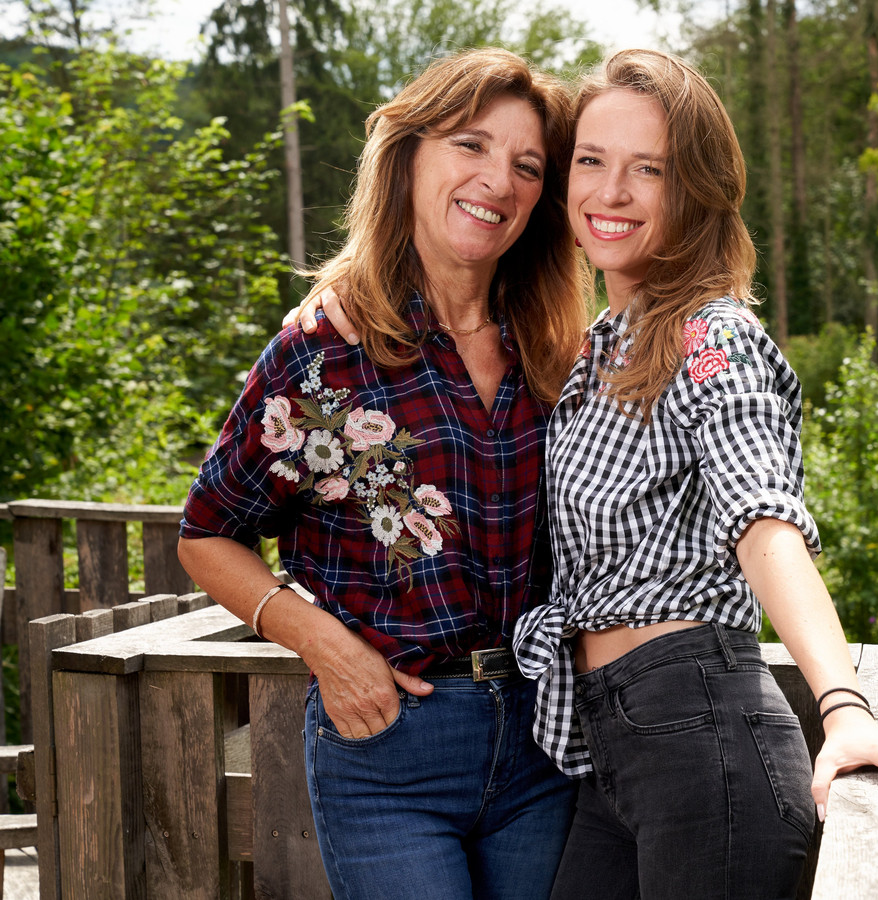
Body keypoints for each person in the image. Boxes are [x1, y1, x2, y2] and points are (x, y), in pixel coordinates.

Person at [296, 48, 878, 900]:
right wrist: (338, 300)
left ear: (693, 189)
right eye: (590, 161)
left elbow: (763, 522)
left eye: (646, 169)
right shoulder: (592, 352)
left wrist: (842, 705)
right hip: (605, 753)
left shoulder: (707, 339)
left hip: (703, 741)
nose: (609, 193)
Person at [178, 48, 588, 900]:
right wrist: (326, 647)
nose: (498, 182)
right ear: (408, 157)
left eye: (526, 166)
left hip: (549, 741)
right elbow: (206, 535)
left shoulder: (556, 353)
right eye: (469, 146)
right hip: (392, 739)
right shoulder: (322, 352)